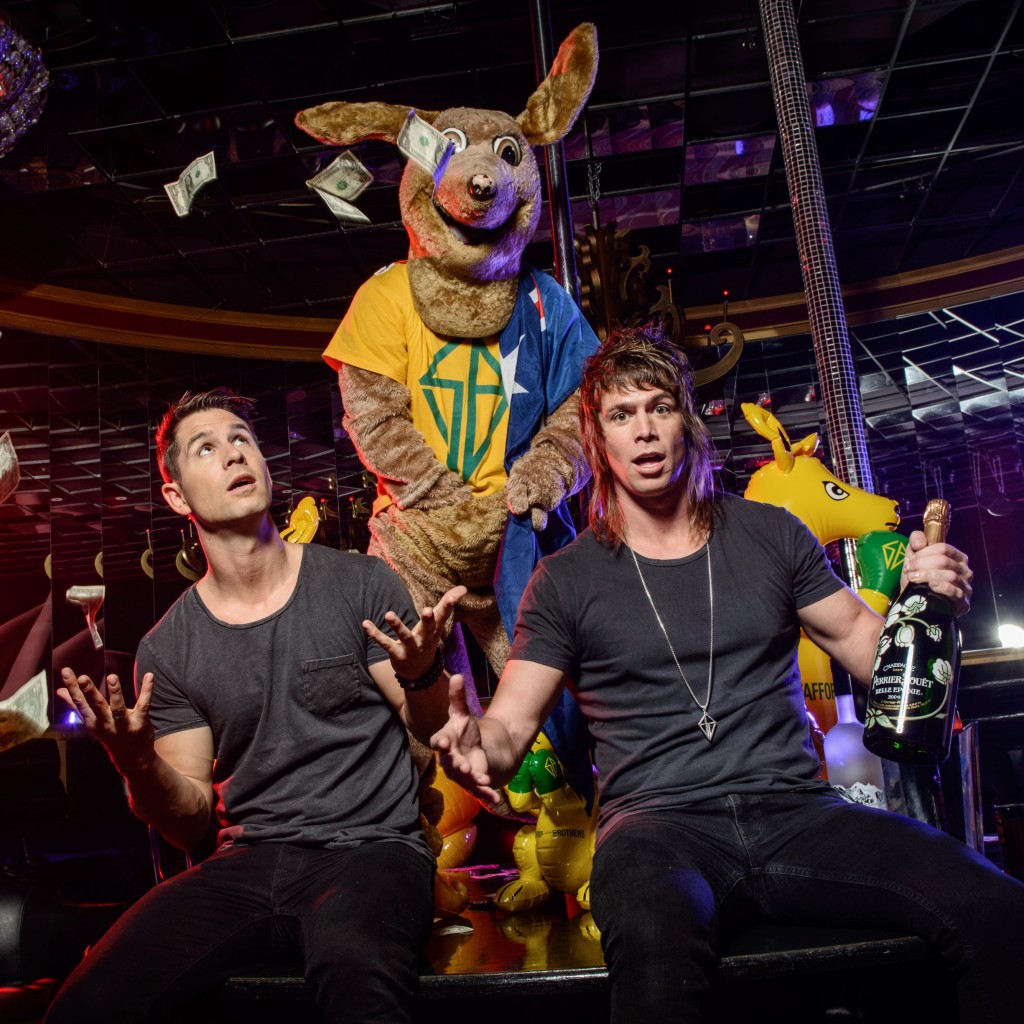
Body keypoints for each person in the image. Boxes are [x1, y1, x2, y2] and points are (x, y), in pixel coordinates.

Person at [432, 324, 1024, 1024]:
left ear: (687, 420)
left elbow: (873, 652)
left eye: (659, 407)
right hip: (656, 828)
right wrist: (472, 742)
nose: (644, 430)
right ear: (599, 439)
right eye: (622, 415)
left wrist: (930, 603)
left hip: (797, 812)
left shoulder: (771, 534)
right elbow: (507, 730)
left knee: (996, 909)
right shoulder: (564, 580)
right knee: (653, 954)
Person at [45, 388, 464, 1024]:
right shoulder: (168, 647)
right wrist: (137, 762)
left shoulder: (360, 584)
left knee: (359, 976)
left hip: (371, 849)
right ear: (177, 498)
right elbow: (189, 824)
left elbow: (431, 728)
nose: (234, 453)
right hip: (247, 862)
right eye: (205, 448)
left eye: (242, 438)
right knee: (89, 1002)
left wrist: (422, 672)